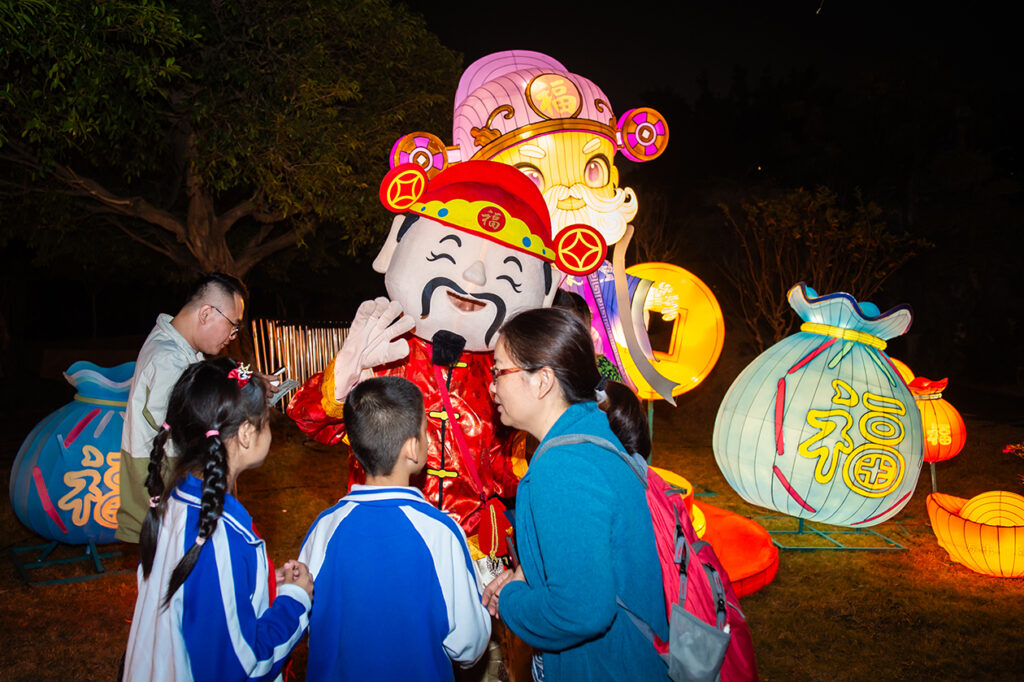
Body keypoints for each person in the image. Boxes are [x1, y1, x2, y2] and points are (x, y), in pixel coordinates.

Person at [288, 161, 604, 540]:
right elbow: (311, 422)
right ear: (396, 244)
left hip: (473, 541)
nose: (474, 280)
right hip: (388, 532)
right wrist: (340, 381)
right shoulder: (386, 351)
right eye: (445, 256)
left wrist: (542, 451)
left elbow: (506, 472)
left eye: (507, 275)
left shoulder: (505, 371)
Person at [481, 307, 668, 682]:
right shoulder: (593, 433)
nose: (492, 385)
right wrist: (527, 573)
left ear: (542, 381)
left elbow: (581, 612)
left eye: (499, 371)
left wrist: (511, 601)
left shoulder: (564, 468)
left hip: (604, 668)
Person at [123, 357, 312, 682]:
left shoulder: (173, 504)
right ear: (246, 434)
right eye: (266, 420)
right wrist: (295, 600)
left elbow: (200, 602)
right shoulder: (218, 536)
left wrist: (264, 585)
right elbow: (240, 665)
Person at [298, 376, 491, 682]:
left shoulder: (323, 529)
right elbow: (469, 644)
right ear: (414, 448)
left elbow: (305, 619)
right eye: (426, 430)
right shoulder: (440, 533)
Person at [117, 272, 248, 543]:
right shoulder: (168, 360)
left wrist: (248, 382)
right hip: (169, 500)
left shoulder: (179, 349)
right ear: (205, 314)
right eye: (232, 326)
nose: (233, 336)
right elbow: (192, 423)